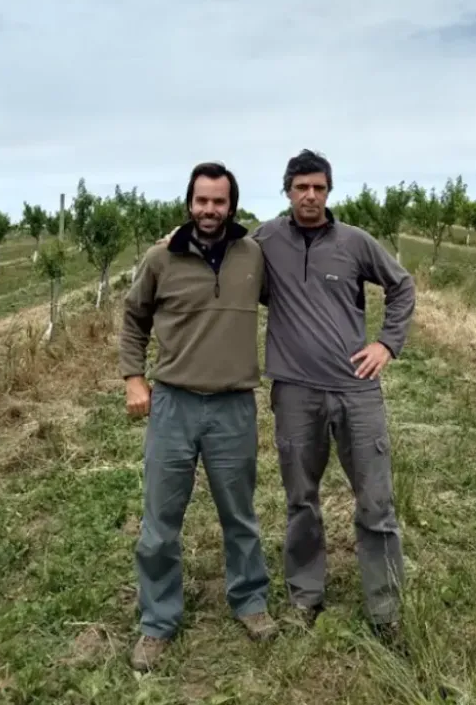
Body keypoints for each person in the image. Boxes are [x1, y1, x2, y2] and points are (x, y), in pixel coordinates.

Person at [119, 161, 277, 672]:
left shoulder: (253, 256)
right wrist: (133, 377)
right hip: (174, 404)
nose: (210, 210)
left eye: (220, 201)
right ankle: (157, 622)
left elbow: (290, 288)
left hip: (233, 405)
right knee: (160, 520)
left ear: (232, 205)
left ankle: (250, 600)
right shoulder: (161, 258)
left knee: (240, 515)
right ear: (189, 203)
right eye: (202, 200)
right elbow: (133, 317)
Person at [251, 150, 416, 637]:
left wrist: (386, 343)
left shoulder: (354, 242)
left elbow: (402, 286)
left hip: (355, 389)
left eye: (319, 187)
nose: (310, 195)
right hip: (295, 391)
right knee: (301, 497)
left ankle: (385, 609)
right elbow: (219, 244)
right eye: (302, 187)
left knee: (375, 500)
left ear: (329, 191)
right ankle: (305, 595)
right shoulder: (266, 239)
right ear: (287, 190)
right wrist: (175, 237)